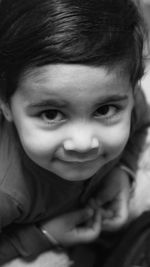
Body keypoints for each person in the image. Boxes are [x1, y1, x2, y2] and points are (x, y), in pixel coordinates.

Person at [0, 0, 149, 266]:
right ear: (6, 106)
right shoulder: (6, 194)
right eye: (51, 114)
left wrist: (122, 173)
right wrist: (43, 235)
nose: (83, 144)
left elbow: (140, 125)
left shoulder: (130, 101)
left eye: (104, 110)